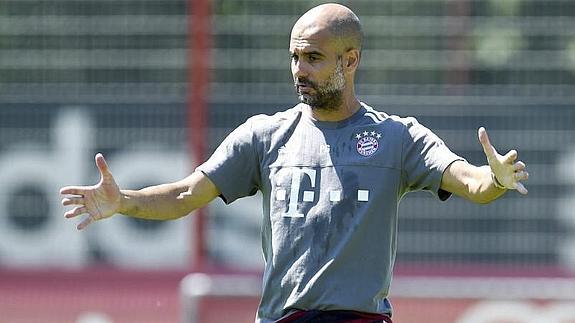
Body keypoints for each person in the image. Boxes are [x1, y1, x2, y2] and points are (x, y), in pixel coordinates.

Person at [60, 3, 529, 323]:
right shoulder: (264, 136)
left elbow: (470, 182)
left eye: (314, 58)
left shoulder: (396, 137)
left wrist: (496, 178)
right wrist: (123, 202)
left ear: (350, 60)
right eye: (295, 57)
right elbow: (185, 194)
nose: (299, 70)